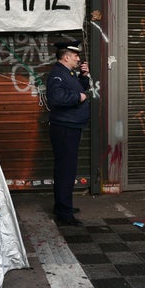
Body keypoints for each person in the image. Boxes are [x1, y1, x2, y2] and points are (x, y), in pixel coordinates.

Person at [46, 40, 91, 226]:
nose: (78, 58)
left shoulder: (68, 73)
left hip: (71, 126)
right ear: (66, 57)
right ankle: (64, 213)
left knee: (67, 169)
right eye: (75, 56)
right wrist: (78, 97)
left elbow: (79, 88)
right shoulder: (57, 74)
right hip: (64, 128)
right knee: (66, 170)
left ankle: (62, 206)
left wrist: (84, 76)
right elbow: (57, 98)